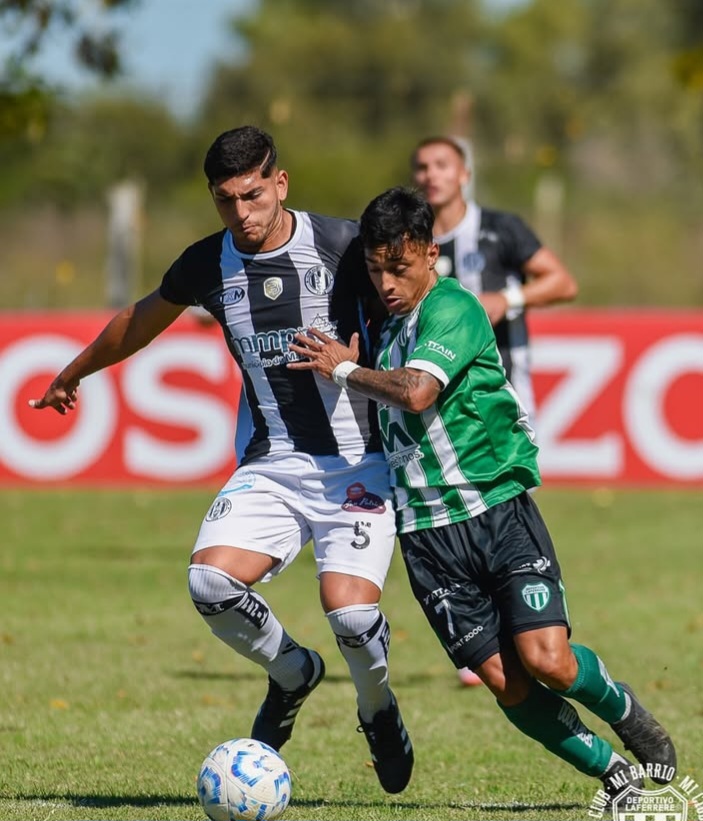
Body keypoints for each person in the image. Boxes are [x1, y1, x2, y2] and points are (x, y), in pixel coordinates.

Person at [28, 126, 413, 794]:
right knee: (209, 584)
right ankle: (293, 672)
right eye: (227, 200)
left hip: (360, 464)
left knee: (350, 616)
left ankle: (378, 710)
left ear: (280, 183)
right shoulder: (209, 264)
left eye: (253, 195)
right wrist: (77, 369)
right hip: (274, 462)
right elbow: (143, 316)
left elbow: (420, 294)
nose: (243, 214)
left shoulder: (345, 245)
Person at [287, 186, 676, 808]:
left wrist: (341, 369)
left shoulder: (455, 308)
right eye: (375, 269)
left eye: (400, 266)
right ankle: (613, 775)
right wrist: (351, 371)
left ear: (430, 253)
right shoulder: (384, 334)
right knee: (506, 682)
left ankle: (629, 715)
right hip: (428, 539)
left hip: (495, 511)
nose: (386, 282)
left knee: (547, 661)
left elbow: (416, 393)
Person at [412, 135, 578, 686]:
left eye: (441, 165)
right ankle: (493, 628)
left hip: (496, 389)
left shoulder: (500, 229)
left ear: (464, 175)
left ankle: (524, 614)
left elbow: (562, 280)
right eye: (422, 167)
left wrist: (509, 300)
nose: (430, 175)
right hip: (436, 392)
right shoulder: (409, 244)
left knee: (497, 491)